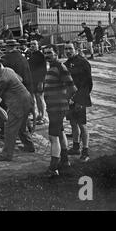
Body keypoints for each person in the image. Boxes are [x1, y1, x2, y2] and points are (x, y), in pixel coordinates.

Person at [0, 53, 35, 161]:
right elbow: (20, 79)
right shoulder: (8, 70)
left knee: (9, 129)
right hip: (26, 100)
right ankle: (29, 146)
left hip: (18, 104)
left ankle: (7, 155)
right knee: (21, 127)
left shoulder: (3, 78)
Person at [43, 45, 77, 177]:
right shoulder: (52, 67)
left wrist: (65, 100)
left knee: (53, 137)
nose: (47, 55)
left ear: (56, 53)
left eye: (50, 53)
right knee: (60, 132)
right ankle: (65, 160)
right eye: (45, 53)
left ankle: (53, 168)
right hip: (54, 108)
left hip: (58, 108)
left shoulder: (60, 67)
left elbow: (72, 88)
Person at [64, 42, 92, 162]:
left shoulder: (83, 62)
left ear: (76, 49)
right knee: (73, 123)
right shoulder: (65, 64)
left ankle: (85, 151)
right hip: (69, 99)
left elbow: (88, 84)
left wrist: (79, 99)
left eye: (70, 48)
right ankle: (76, 147)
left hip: (80, 99)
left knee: (82, 125)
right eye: (66, 49)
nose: (68, 51)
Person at [27, 40, 47, 124]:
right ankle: (38, 115)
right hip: (33, 80)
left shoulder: (41, 55)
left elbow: (44, 70)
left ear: (38, 45)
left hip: (39, 81)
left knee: (39, 98)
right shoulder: (32, 55)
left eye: (34, 44)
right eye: (31, 44)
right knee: (35, 98)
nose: (32, 45)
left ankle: (43, 116)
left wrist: (41, 82)